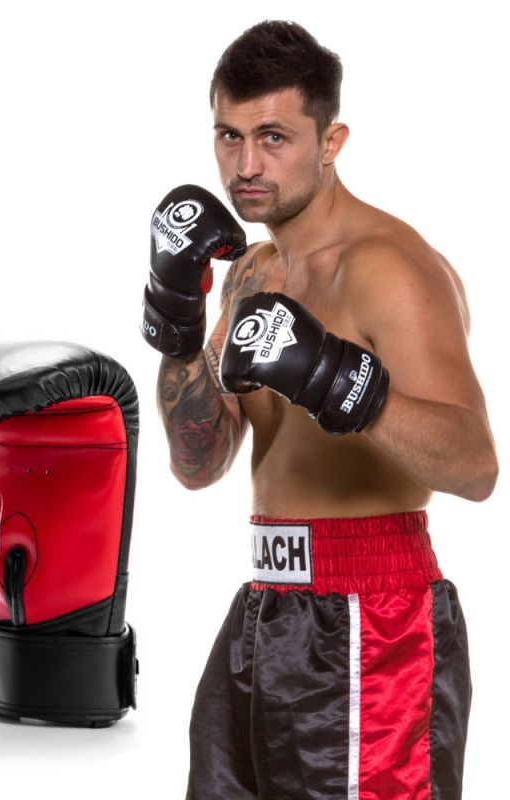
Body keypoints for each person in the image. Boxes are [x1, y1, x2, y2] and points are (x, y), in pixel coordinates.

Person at [141, 20, 498, 800]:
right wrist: (177, 324)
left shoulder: (389, 268)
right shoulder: (251, 274)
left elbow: (475, 466)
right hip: (264, 606)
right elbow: (198, 465)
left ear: (331, 141)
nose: (246, 165)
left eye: (274, 138)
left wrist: (343, 384)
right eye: (230, 137)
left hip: (374, 617)